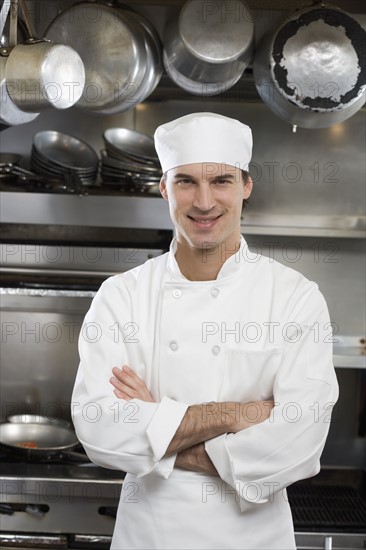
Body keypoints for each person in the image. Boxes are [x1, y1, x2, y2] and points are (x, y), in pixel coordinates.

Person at [71, 112, 339, 550]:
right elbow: (99, 427)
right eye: (186, 182)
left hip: (254, 539)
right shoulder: (121, 295)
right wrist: (233, 414)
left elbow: (300, 443)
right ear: (163, 188)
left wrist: (159, 432)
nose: (204, 201)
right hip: (152, 535)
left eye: (221, 181)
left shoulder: (294, 297)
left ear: (246, 186)